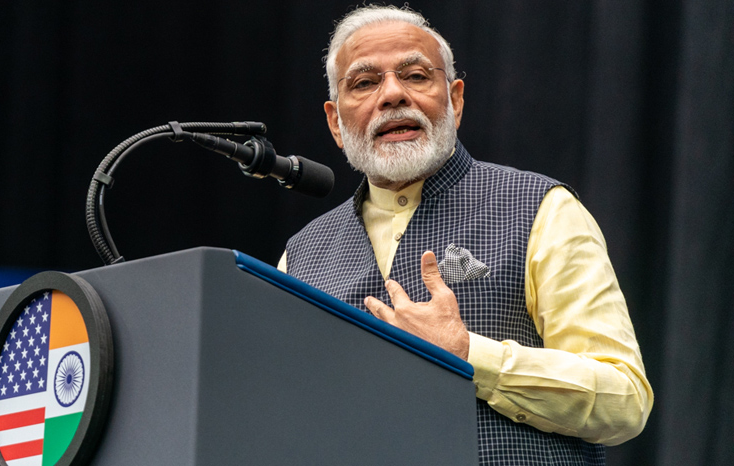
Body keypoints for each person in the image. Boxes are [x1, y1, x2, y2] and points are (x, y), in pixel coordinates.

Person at [276, 5, 653, 465]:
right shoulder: (302, 255)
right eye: (364, 82)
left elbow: (624, 399)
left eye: (415, 75)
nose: (393, 94)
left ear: (454, 100)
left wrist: (468, 353)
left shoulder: (540, 209)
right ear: (336, 122)